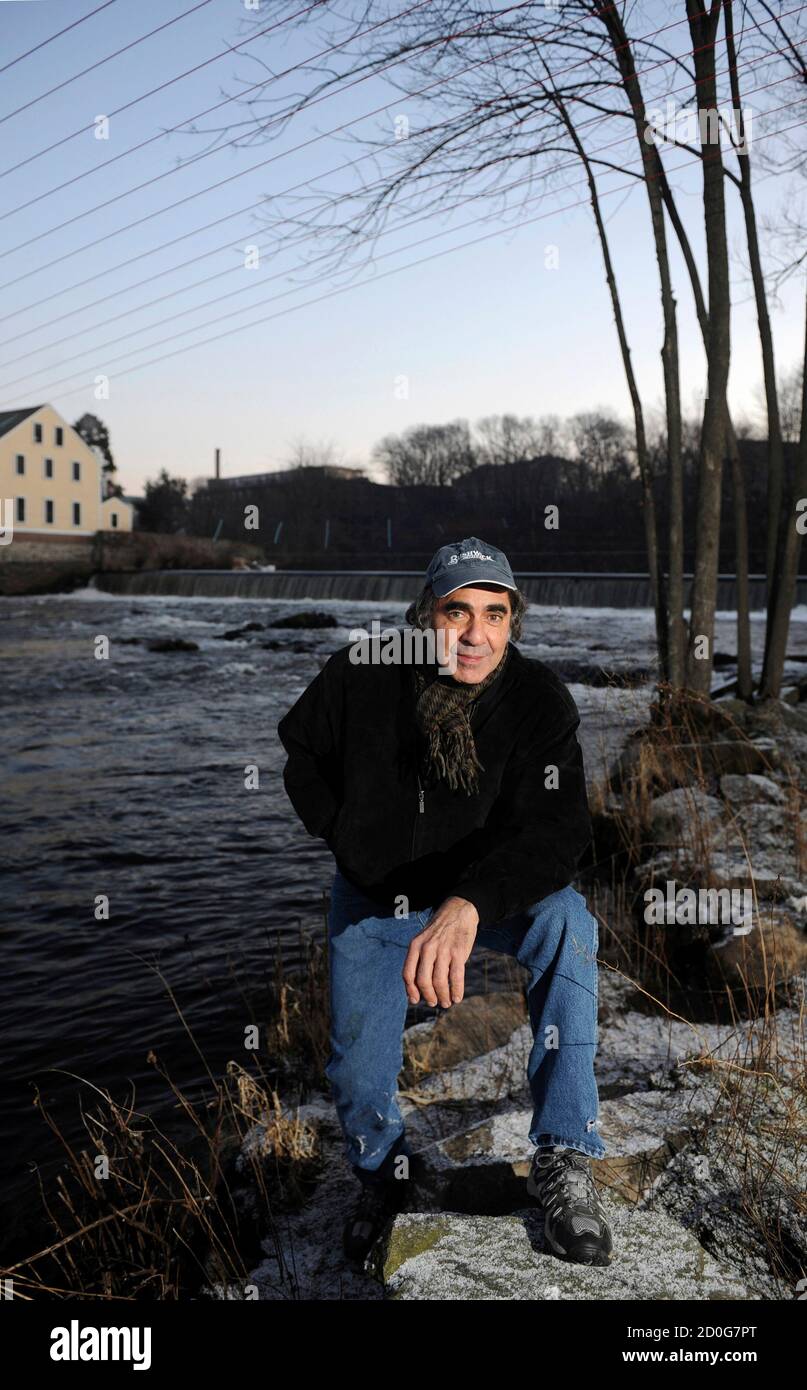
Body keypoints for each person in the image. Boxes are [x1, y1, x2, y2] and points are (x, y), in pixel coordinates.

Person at [277, 536, 613, 1268]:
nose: (475, 635)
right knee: (356, 1070)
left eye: (494, 614)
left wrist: (467, 903)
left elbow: (560, 829)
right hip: (377, 898)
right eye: (455, 612)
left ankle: (563, 1154)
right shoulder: (362, 675)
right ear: (423, 615)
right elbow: (299, 751)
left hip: (488, 893)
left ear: (511, 621)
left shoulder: (536, 701)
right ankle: (384, 1176)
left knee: (567, 923)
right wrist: (345, 836)